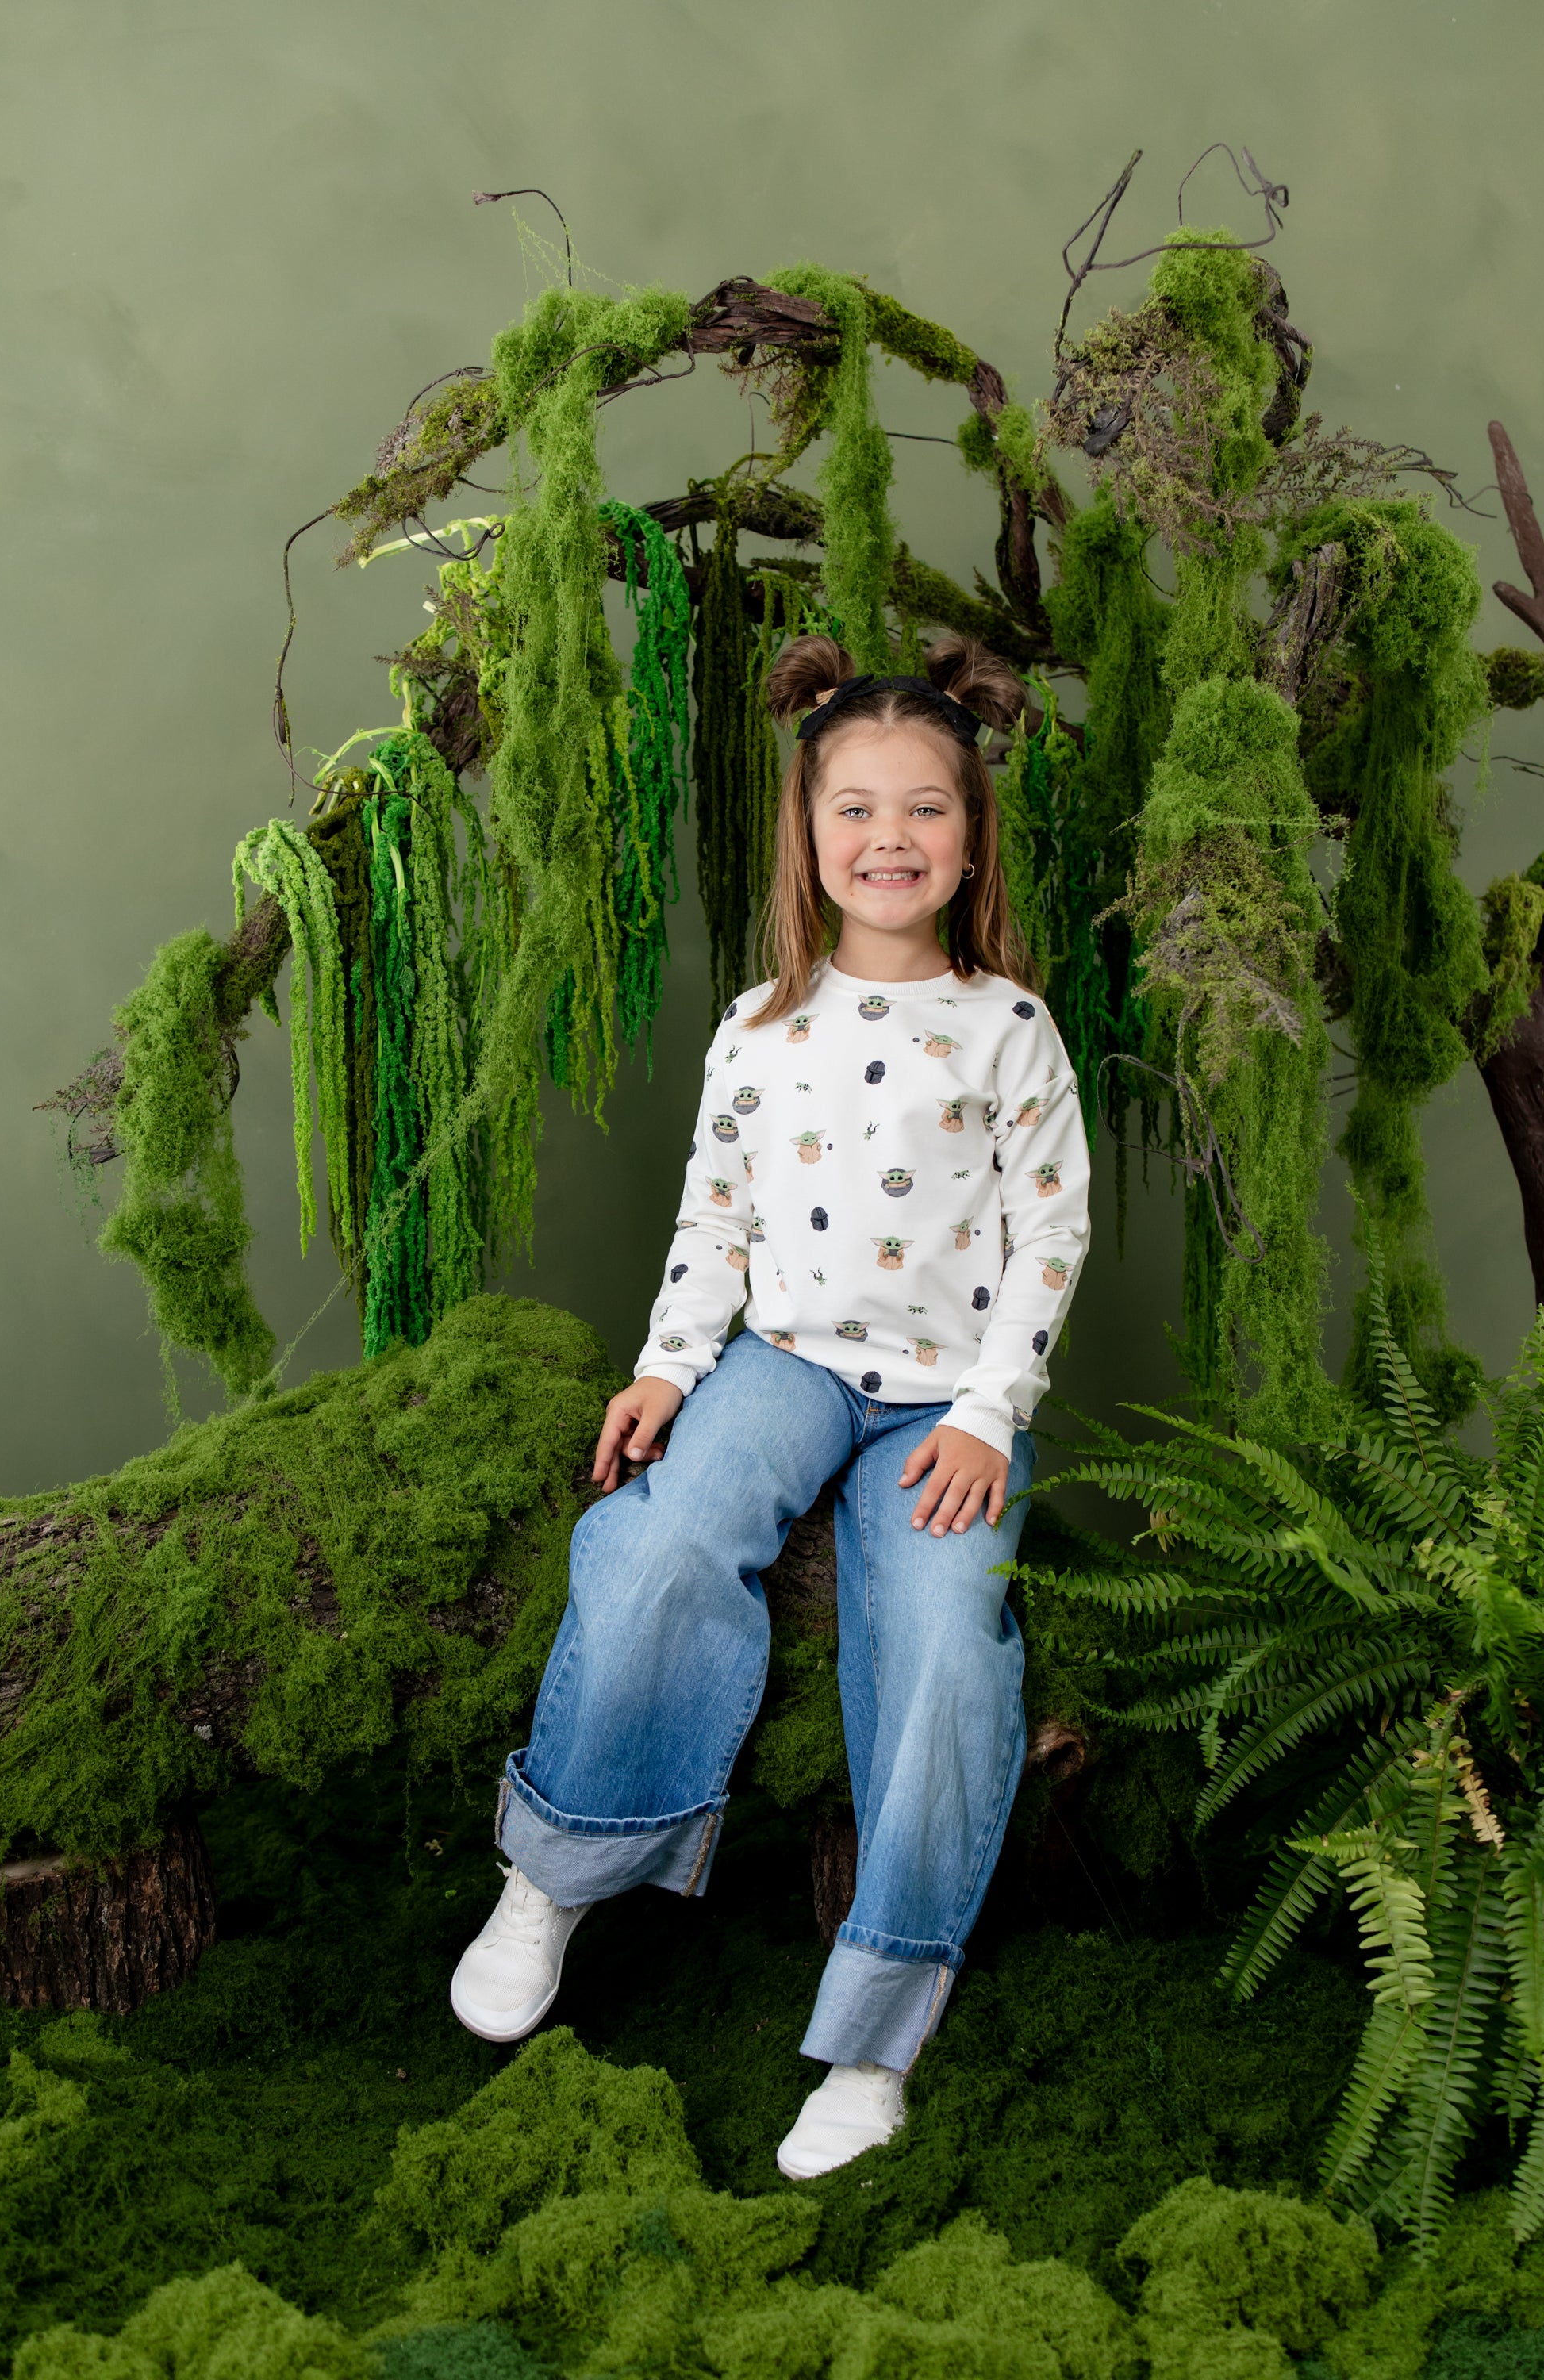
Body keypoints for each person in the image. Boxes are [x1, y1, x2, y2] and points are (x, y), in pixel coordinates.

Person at [451, 632, 1092, 2178]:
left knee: (946, 1646)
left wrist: (992, 1416)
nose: (889, 838)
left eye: (924, 809)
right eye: (855, 808)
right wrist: (672, 1364)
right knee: (659, 1544)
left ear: (971, 835)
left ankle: (874, 2035)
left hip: (940, 1400)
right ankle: (557, 1874)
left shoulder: (1006, 1031)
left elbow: (1051, 1234)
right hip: (785, 1366)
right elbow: (715, 1218)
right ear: (809, 834)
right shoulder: (759, 1026)